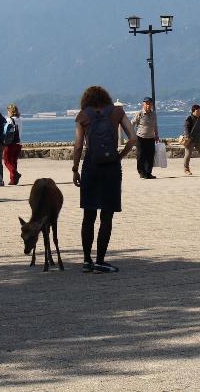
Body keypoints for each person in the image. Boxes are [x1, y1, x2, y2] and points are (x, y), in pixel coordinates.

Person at [72, 86, 136, 273]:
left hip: (91, 166)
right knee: (106, 216)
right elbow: (132, 138)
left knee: (88, 215)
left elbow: (77, 146)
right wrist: (119, 156)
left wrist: (75, 169)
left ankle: (86, 261)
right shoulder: (117, 112)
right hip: (111, 168)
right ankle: (100, 261)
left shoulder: (82, 116)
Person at [132, 97, 159, 179]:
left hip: (151, 138)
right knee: (140, 156)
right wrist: (131, 134)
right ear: (143, 104)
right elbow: (132, 123)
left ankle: (148, 173)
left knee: (150, 156)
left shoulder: (153, 114)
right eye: (146, 104)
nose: (148, 105)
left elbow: (155, 125)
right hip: (140, 138)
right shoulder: (139, 113)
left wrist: (156, 135)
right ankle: (141, 172)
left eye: (150, 104)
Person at [3, 103, 23, 185]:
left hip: (11, 143)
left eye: (8, 110)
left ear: (10, 111)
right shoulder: (20, 119)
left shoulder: (9, 120)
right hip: (19, 143)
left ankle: (15, 174)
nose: (7, 112)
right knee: (14, 161)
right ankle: (13, 180)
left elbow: (6, 132)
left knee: (7, 161)